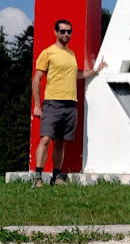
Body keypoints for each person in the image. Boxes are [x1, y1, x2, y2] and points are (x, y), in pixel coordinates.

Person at [32, 19, 107, 187]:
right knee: (45, 139)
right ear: (55, 32)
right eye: (63, 31)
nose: (66, 34)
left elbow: (78, 74)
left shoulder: (71, 54)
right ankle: (37, 177)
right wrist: (37, 105)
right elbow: (37, 79)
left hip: (71, 104)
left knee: (61, 142)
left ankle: (56, 177)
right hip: (52, 102)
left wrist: (97, 70)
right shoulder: (48, 53)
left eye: (69, 32)